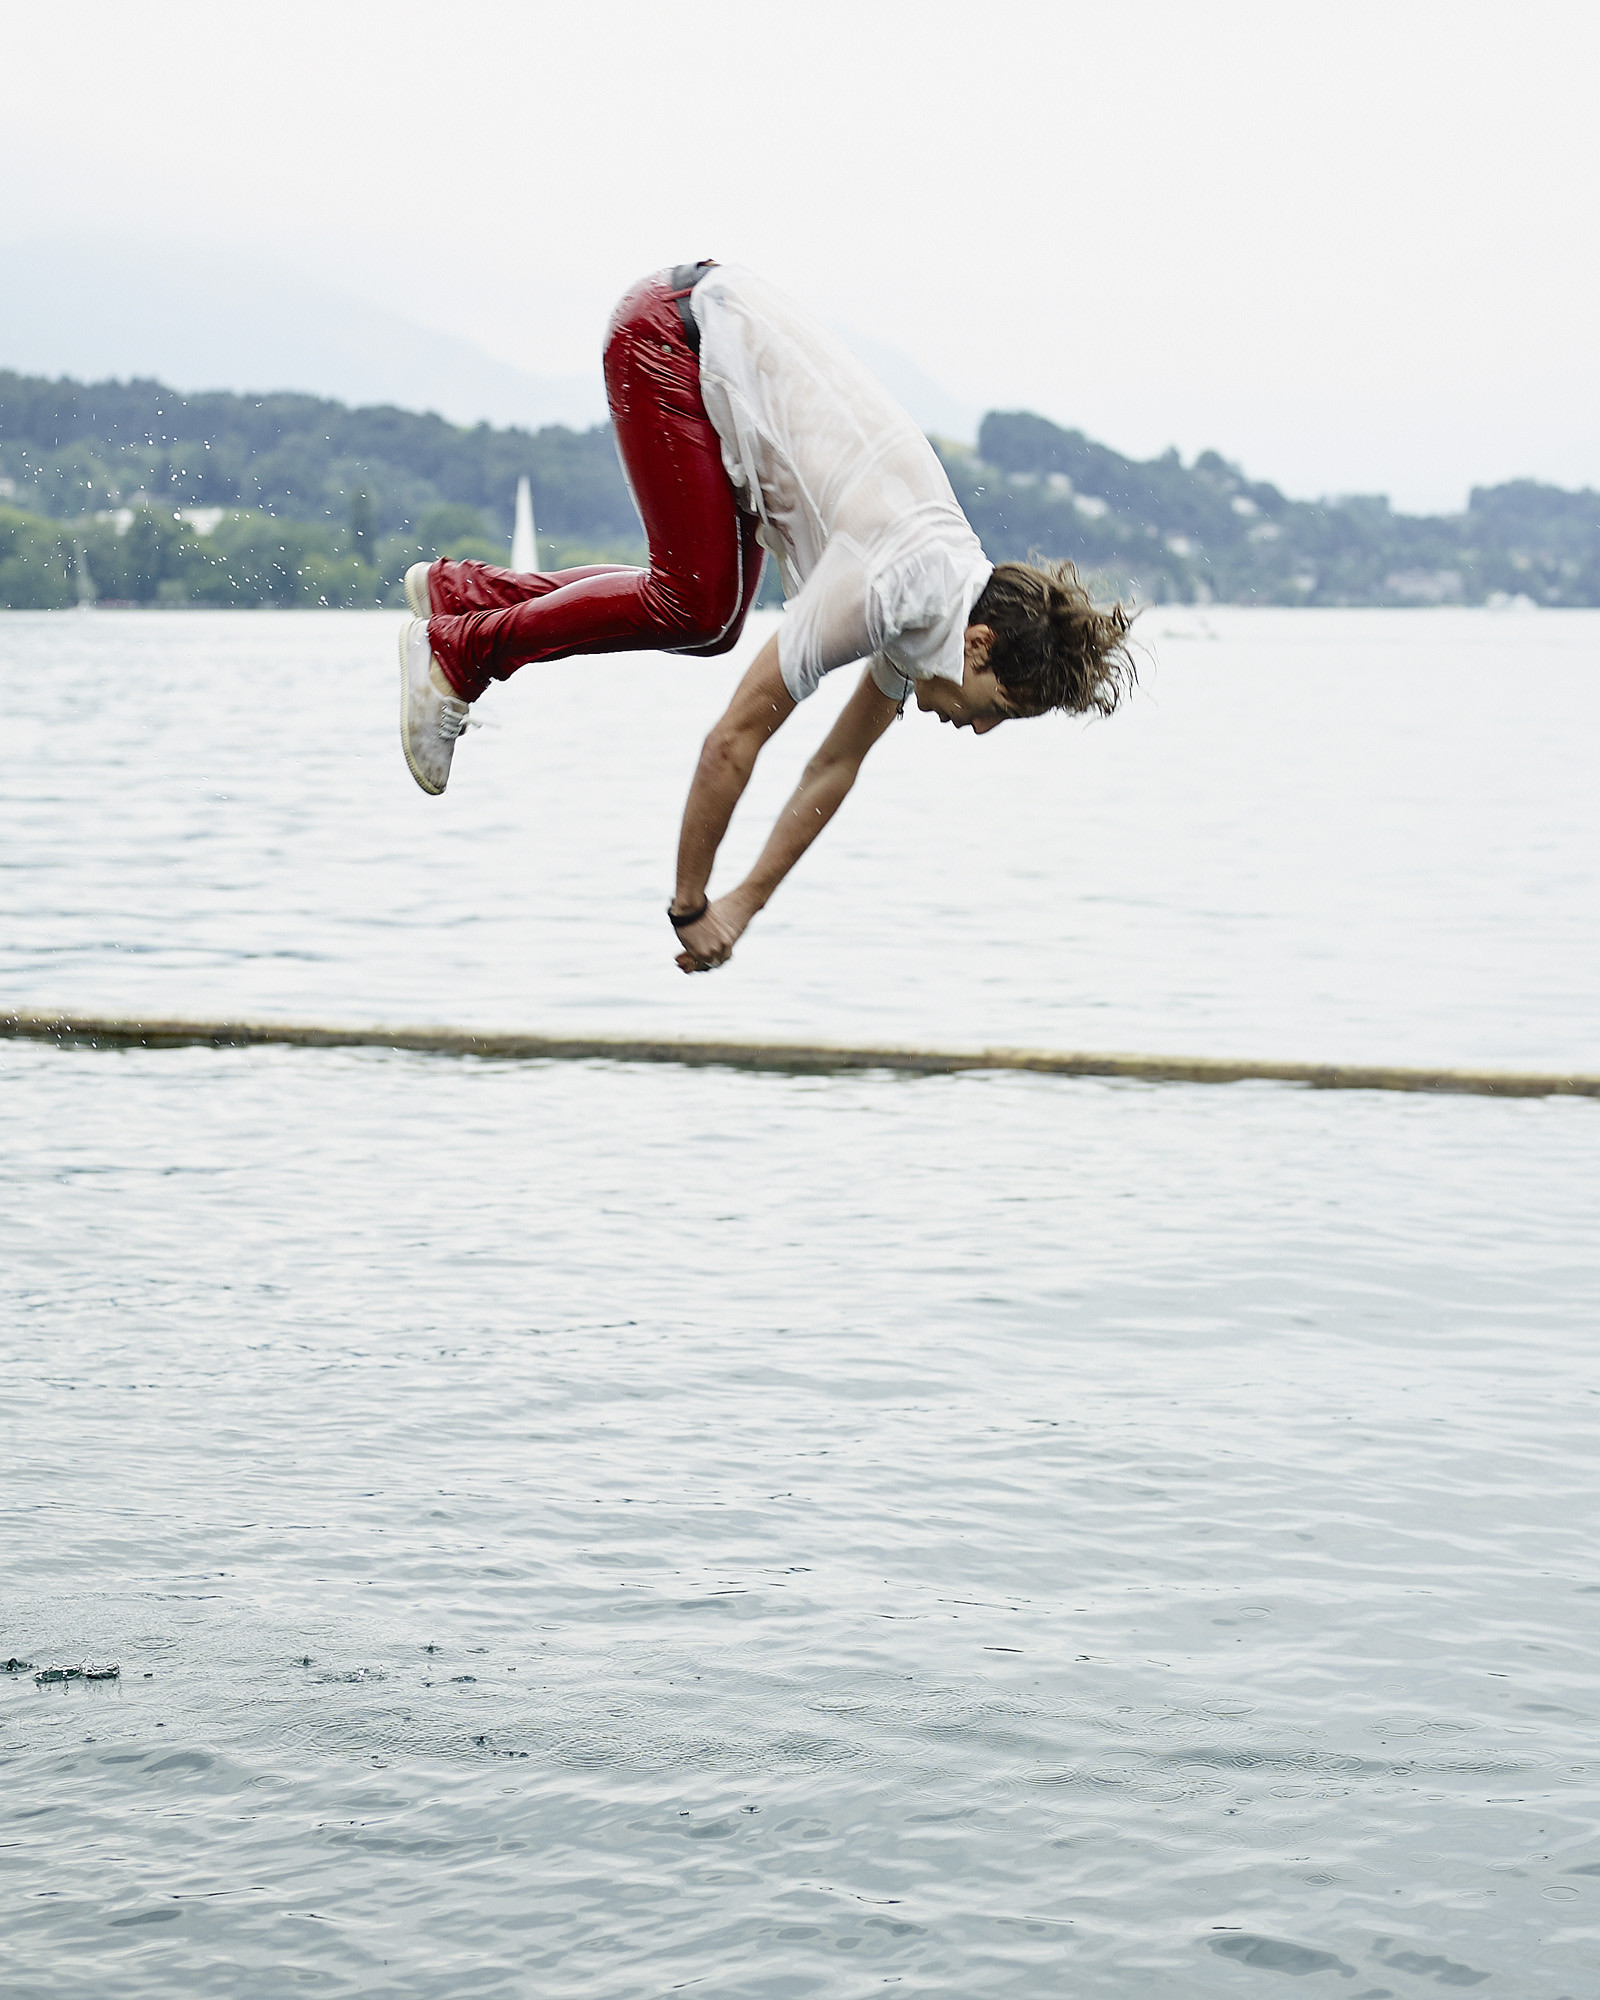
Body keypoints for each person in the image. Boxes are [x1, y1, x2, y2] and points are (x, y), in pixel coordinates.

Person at [398, 260, 1135, 973]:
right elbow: (732, 742)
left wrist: (742, 905)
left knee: (713, 623)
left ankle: (465, 595)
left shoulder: (935, 599)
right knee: (696, 605)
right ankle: (461, 652)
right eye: (998, 710)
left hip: (707, 341)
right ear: (978, 646)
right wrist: (690, 905)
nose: (980, 730)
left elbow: (835, 766)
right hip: (670, 334)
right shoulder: (887, 586)